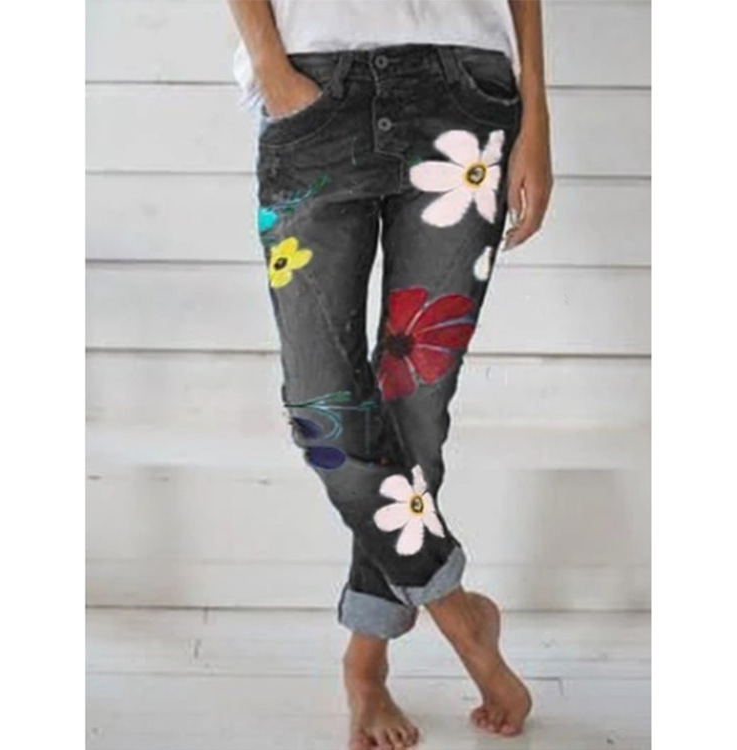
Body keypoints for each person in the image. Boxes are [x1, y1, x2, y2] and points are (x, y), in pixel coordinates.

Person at [226, 1, 553, 747]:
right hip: (312, 90)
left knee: (415, 411)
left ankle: (366, 658)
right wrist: (272, 67)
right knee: (323, 411)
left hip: (465, 94)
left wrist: (537, 115)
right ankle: (457, 610)